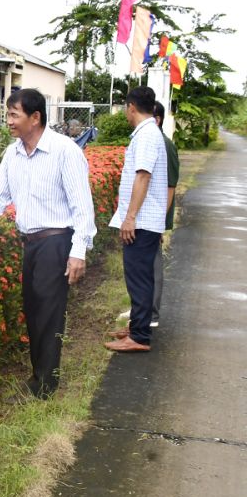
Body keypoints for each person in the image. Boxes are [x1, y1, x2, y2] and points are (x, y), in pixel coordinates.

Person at [0, 88, 96, 400]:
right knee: (34, 310)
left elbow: (83, 207)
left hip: (56, 242)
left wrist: (78, 251)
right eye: (8, 114)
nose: (8, 121)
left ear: (35, 117)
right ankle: (39, 378)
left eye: (14, 114)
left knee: (49, 314)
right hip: (31, 244)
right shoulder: (13, 153)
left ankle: (45, 386)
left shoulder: (64, 151)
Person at [105, 87, 169, 353]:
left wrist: (129, 218)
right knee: (139, 276)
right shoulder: (149, 133)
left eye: (124, 108)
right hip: (144, 220)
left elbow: (142, 177)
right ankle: (137, 326)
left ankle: (140, 336)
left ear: (131, 107)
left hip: (141, 221)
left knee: (139, 278)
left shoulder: (146, 136)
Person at [151, 101, 180, 326]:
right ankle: (141, 311)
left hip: (154, 217)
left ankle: (151, 315)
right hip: (149, 216)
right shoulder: (152, 141)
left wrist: (160, 222)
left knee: (152, 264)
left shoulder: (165, 145)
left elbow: (170, 186)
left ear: (157, 119)